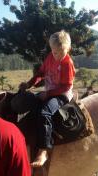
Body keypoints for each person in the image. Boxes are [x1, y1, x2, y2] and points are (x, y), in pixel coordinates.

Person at [18, 30, 75, 167]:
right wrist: (29, 84)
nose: (56, 55)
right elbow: (41, 73)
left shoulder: (67, 63)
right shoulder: (50, 57)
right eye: (54, 52)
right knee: (25, 101)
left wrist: (48, 94)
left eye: (60, 52)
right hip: (49, 92)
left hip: (62, 95)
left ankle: (44, 150)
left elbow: (66, 86)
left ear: (67, 49)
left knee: (45, 112)